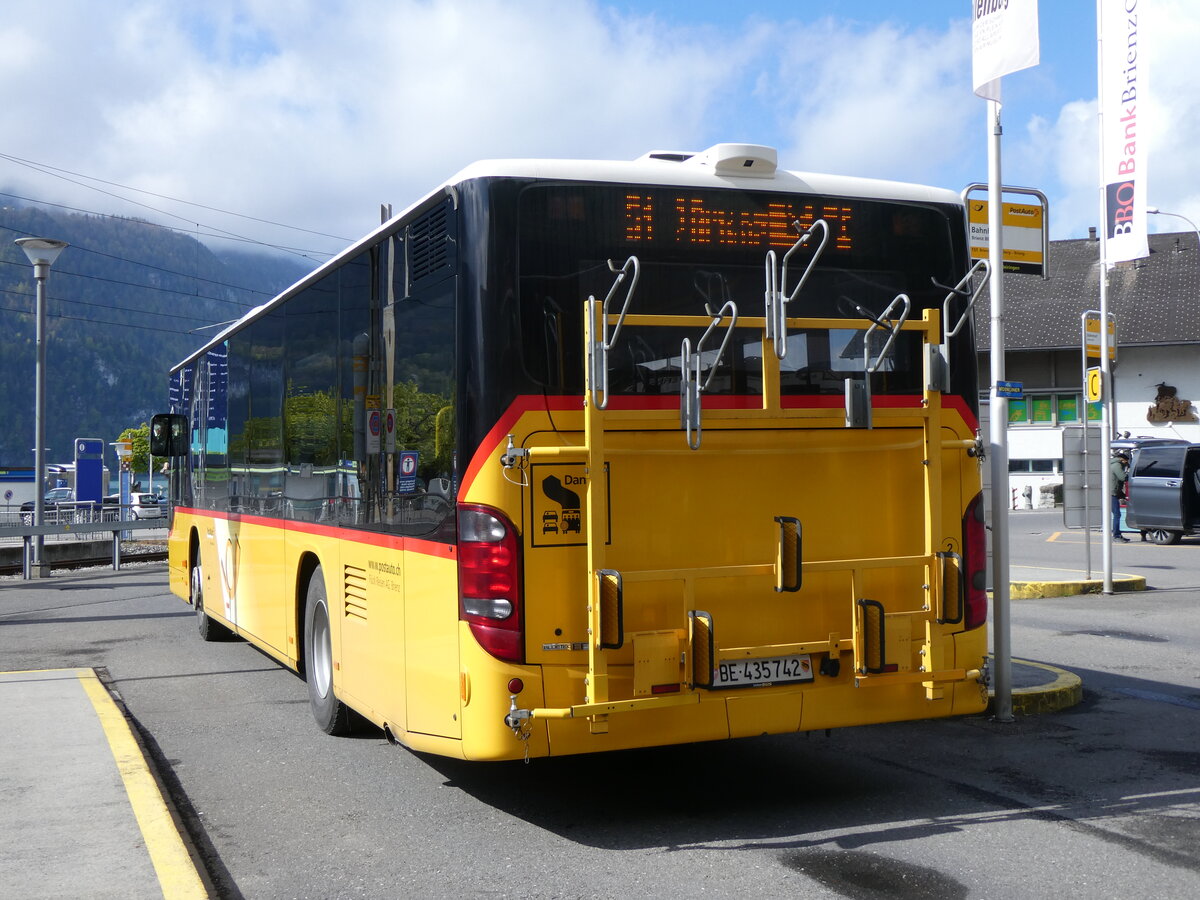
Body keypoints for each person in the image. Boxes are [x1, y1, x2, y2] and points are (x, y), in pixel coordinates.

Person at [1111, 451, 1130, 541]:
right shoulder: (1117, 465)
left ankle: (1117, 534)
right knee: (1117, 514)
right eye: (1126, 462)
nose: (1126, 464)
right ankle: (1116, 535)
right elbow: (1122, 477)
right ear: (1122, 459)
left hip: (1112, 492)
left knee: (1116, 514)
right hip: (1111, 493)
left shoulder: (1113, 464)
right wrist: (1130, 475)